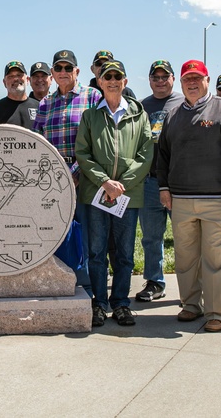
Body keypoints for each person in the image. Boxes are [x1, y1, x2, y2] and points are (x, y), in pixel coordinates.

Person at [158, 60, 221, 332]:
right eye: (187, 78)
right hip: (181, 199)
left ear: (207, 80)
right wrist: (164, 187)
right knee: (186, 257)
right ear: (181, 82)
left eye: (197, 78)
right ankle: (190, 305)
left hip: (217, 198)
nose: (192, 83)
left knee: (216, 258)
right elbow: (163, 155)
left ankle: (217, 312)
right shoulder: (173, 115)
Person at [76, 60, 152, 327]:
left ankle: (120, 303)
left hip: (127, 198)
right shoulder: (90, 116)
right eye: (107, 76)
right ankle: (99, 303)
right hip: (96, 195)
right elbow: (83, 154)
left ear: (125, 82)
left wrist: (121, 185)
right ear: (99, 81)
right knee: (96, 252)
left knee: (124, 253)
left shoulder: (139, 115)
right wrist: (105, 182)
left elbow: (145, 155)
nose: (112, 81)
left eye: (117, 76)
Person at [33, 49, 103, 297]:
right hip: (53, 179)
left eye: (68, 68)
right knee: (54, 231)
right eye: (58, 68)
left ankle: (88, 288)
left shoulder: (93, 97)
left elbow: (99, 140)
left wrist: (76, 171)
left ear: (77, 71)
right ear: (52, 73)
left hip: (85, 176)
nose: (63, 72)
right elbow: (38, 144)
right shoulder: (45, 104)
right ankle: (60, 282)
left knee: (86, 234)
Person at [135, 59, 182, 302]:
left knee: (186, 237)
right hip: (150, 182)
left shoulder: (185, 102)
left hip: (180, 182)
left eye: (165, 77)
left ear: (173, 79)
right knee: (151, 237)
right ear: (150, 80)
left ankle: (190, 285)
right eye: (156, 77)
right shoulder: (142, 106)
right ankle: (155, 281)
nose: (161, 81)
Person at [0, 61, 40, 128]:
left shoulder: (40, 107)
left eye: (19, 75)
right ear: (4, 82)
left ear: (27, 79)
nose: (15, 79)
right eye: (10, 76)